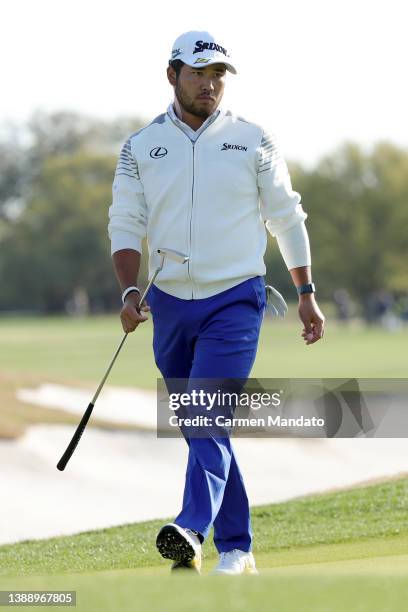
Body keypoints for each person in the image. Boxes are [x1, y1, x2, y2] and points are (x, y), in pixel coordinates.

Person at [108, 30, 325, 575]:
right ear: (172, 75)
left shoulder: (253, 139)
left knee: (204, 410)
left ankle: (190, 528)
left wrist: (306, 292)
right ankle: (238, 547)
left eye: (218, 75)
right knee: (204, 424)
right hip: (170, 302)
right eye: (199, 73)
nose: (210, 84)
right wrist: (130, 290)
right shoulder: (140, 146)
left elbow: (287, 217)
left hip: (235, 299)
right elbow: (126, 222)